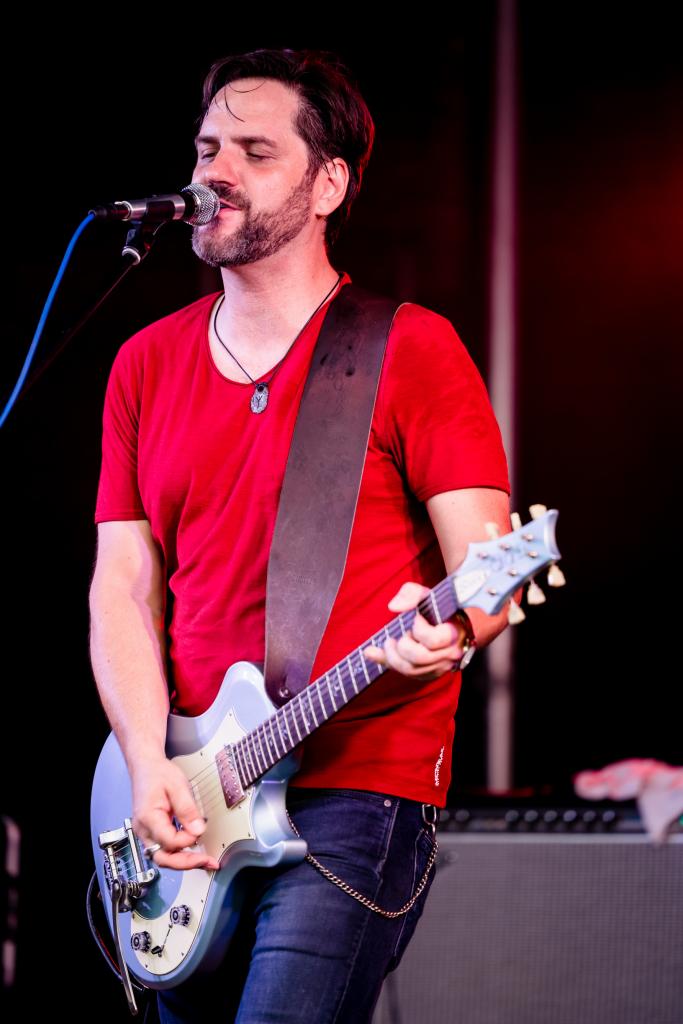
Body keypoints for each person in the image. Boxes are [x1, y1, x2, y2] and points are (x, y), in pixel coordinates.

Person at [89, 47, 513, 1024]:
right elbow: (121, 585)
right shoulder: (143, 364)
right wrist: (148, 765)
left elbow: (486, 570)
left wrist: (455, 627)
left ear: (328, 185)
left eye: (255, 151)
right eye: (207, 149)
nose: (216, 173)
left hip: (356, 786)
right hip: (190, 788)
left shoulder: (407, 347)